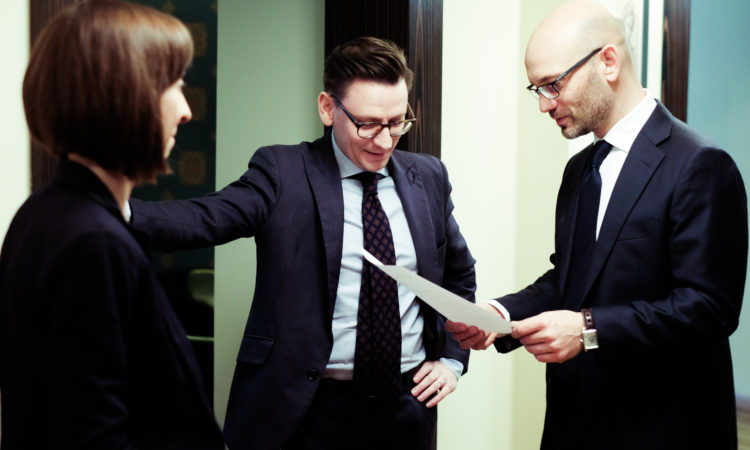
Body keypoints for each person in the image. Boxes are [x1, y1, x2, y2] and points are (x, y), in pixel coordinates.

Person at [128, 36, 477, 450]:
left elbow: (458, 274)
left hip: (405, 409)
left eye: (397, 122)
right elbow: (206, 219)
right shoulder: (283, 172)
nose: (384, 141)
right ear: (328, 108)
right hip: (307, 410)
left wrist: (452, 359)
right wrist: (107, 206)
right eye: (367, 124)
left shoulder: (429, 177)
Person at [447, 1, 747, 449]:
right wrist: (500, 314)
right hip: (576, 423)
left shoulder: (701, 165)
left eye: (553, 84)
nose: (545, 105)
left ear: (608, 61)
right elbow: (571, 279)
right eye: (537, 90)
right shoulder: (579, 169)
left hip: (661, 428)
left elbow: (708, 309)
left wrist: (587, 328)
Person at [0, 1, 224, 448]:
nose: (185, 110)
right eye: (174, 86)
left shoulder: (43, 211)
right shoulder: (93, 242)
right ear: (128, 96)